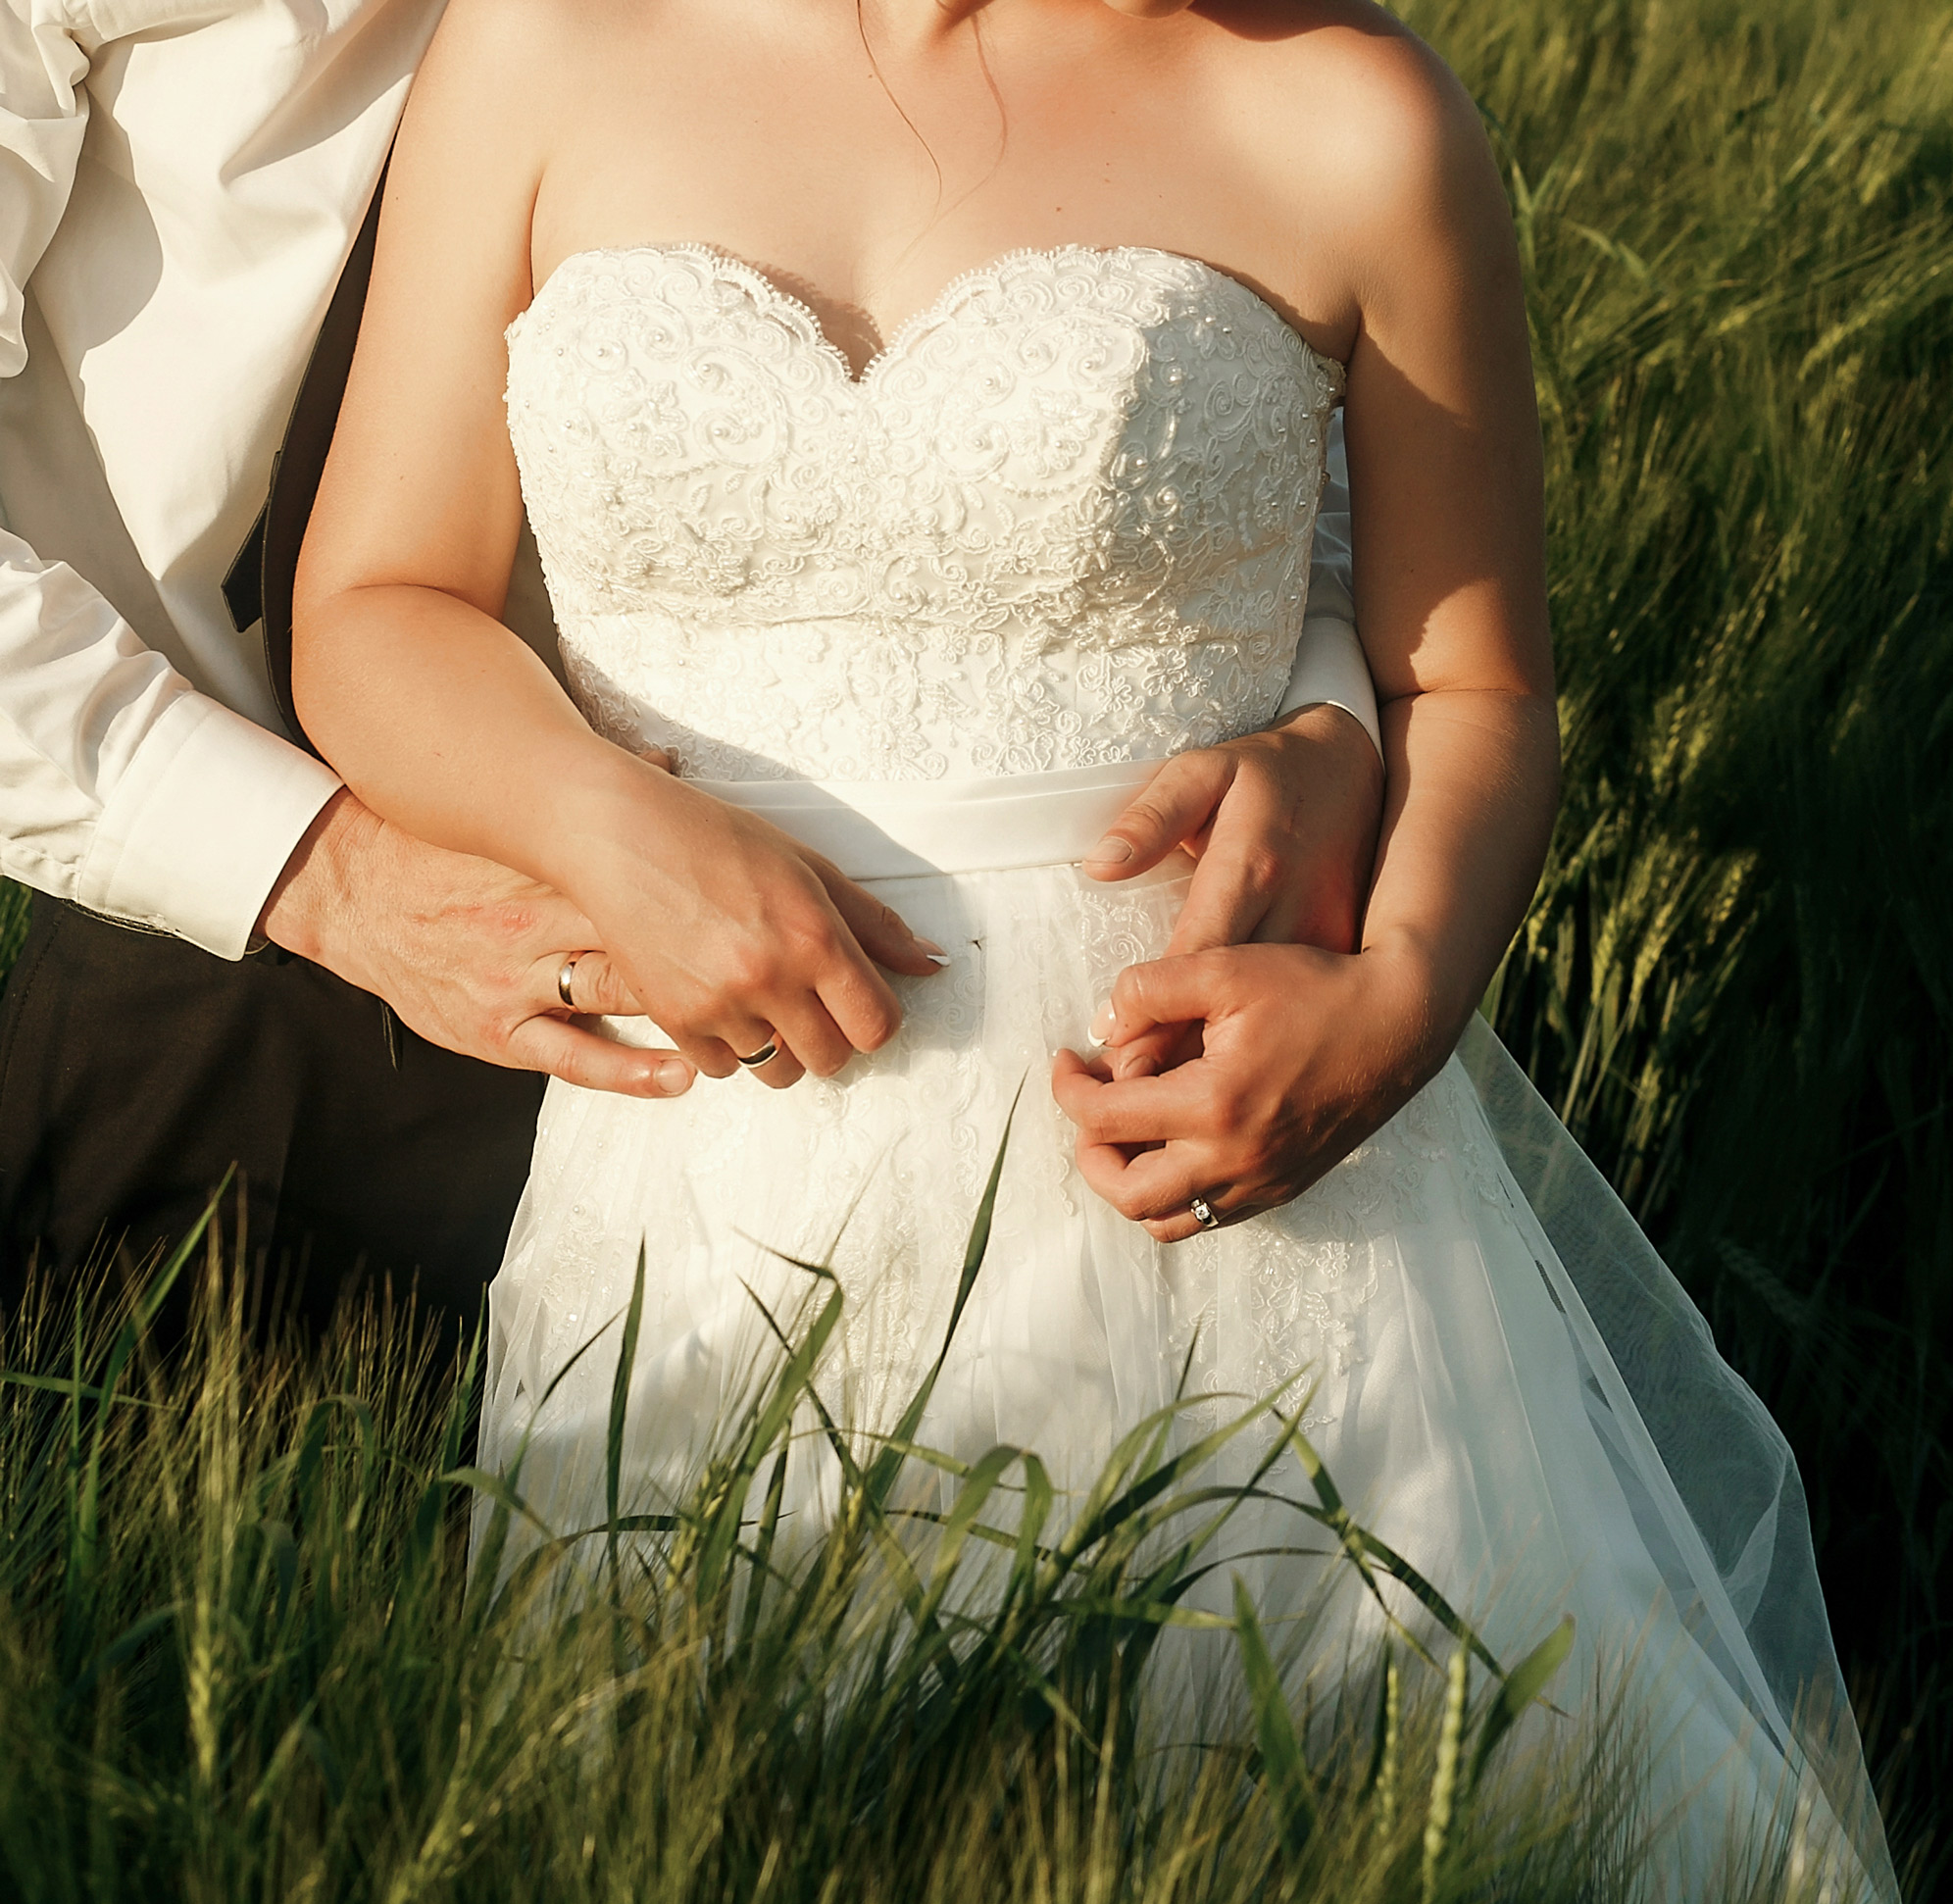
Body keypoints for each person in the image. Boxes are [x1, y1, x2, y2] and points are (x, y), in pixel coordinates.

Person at [288, 0, 1920, 1904]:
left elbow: (1466, 682)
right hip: (705, 1176)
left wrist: (1393, 998)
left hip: (1212, 1192)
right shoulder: (543, 46)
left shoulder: (1350, 113)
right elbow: (377, 603)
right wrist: (602, 825)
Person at [0, 0, 1382, 1332]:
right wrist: (334, 875)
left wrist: (1333, 706)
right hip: (237, 943)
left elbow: (1201, 395)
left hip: (1036, 1026)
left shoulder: (1271, 70)